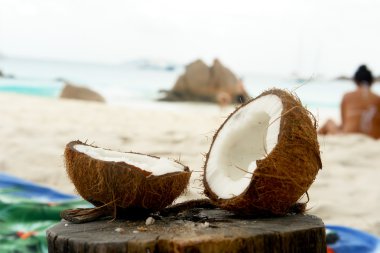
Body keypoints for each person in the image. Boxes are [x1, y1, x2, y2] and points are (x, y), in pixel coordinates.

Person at [318, 65, 380, 139]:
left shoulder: (347, 96)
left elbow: (344, 124)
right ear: (371, 82)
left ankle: (312, 143)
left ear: (356, 81)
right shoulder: (377, 98)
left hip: (349, 136)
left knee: (329, 122)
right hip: (372, 138)